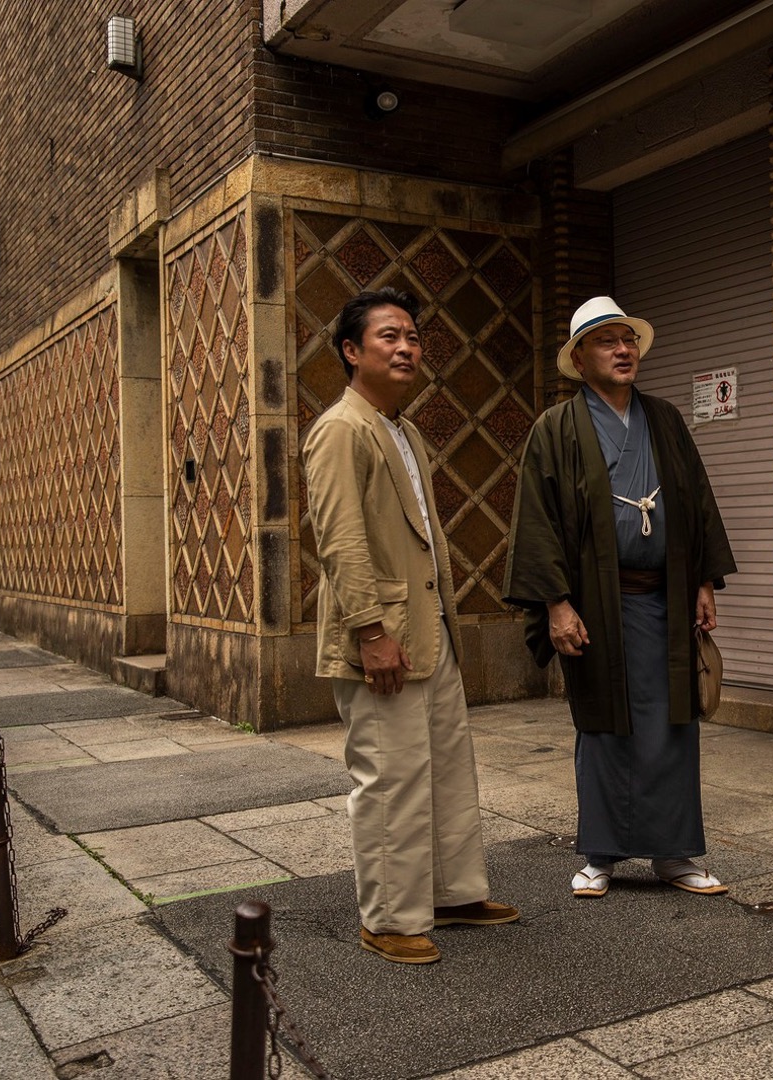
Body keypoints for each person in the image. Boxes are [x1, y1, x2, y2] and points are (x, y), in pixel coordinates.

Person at [302, 287, 518, 965]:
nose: (405, 348)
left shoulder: (403, 429)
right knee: (391, 777)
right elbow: (339, 540)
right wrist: (369, 631)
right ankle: (389, 918)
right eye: (389, 336)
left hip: (427, 630)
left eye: (414, 337)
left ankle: (451, 893)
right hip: (382, 636)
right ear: (351, 351)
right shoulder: (342, 428)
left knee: (447, 768)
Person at [504, 296, 737, 899]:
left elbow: (697, 499)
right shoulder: (555, 428)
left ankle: (674, 854)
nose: (623, 350)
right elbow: (537, 520)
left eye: (628, 339)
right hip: (597, 605)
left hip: (666, 600)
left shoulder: (665, 419)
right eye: (607, 341)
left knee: (673, 726)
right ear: (580, 359)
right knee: (604, 726)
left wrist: (704, 581)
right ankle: (601, 854)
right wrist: (556, 603)